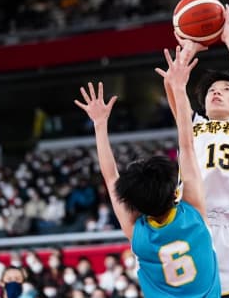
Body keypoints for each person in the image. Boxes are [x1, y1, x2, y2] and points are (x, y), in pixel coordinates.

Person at [74, 51, 221, 297]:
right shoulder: (193, 213)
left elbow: (110, 178)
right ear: (176, 192)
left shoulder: (137, 233)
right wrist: (179, 88)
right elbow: (187, 144)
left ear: (132, 203)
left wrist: (100, 125)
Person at [158, 3, 229, 297]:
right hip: (189, 224)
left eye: (227, 90)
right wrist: (190, 48)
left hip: (227, 228)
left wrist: (228, 37)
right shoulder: (191, 124)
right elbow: (174, 85)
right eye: (211, 91)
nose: (217, 92)